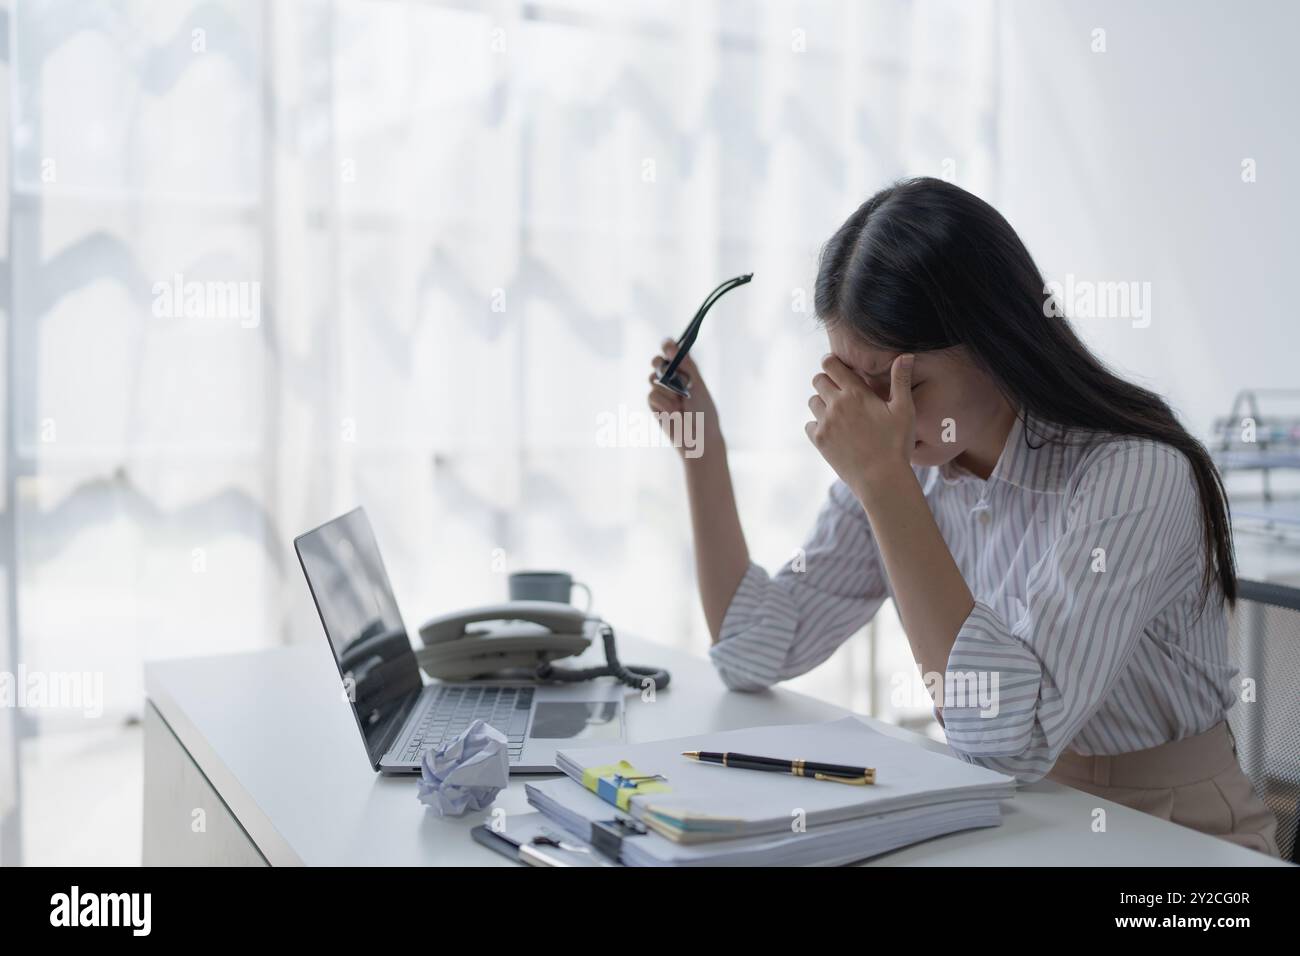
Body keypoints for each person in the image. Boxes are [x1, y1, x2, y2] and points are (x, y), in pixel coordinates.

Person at [646, 177, 1279, 856]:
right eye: (853, 386)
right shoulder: (907, 463)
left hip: (1178, 835)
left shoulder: (1132, 475)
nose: (876, 415)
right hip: (1019, 820)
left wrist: (886, 485)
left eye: (905, 384)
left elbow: (1010, 738)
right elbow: (752, 647)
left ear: (997, 342)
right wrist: (701, 448)